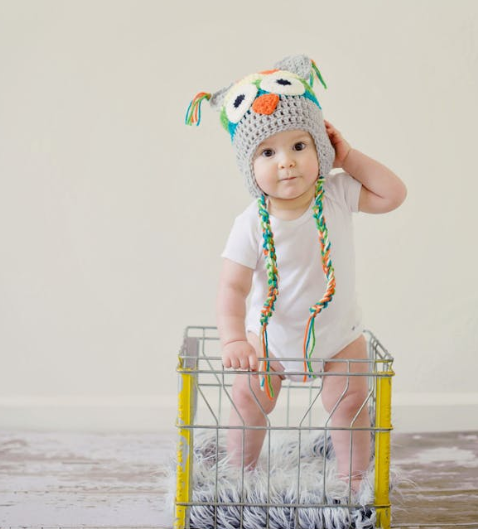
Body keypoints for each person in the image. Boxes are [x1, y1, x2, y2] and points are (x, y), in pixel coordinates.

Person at [185, 54, 407, 494]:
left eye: (300, 146)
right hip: (268, 340)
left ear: (321, 148)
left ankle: (352, 483)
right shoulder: (251, 222)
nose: (286, 162)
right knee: (248, 400)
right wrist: (234, 340)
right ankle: (241, 475)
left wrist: (349, 157)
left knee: (348, 405)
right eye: (268, 153)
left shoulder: (337, 193)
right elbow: (232, 287)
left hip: (339, 336)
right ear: (249, 167)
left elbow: (392, 194)